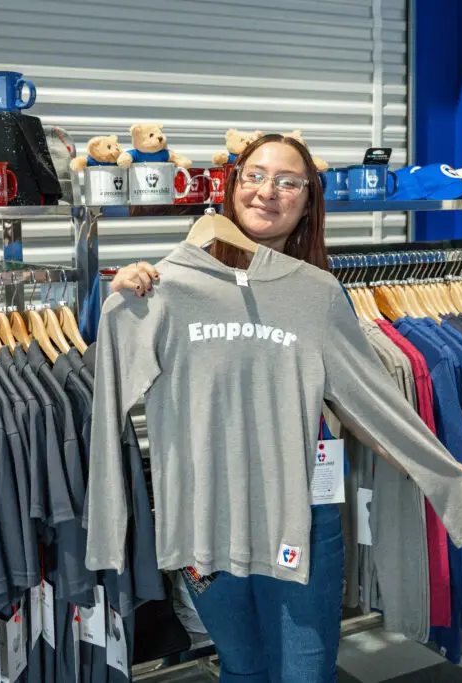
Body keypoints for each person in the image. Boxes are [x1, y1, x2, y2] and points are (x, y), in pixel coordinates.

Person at [108, 133, 344, 682]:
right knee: (240, 667)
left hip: (301, 509)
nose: (268, 191)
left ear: (308, 202)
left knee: (304, 673)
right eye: (255, 175)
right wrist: (122, 301)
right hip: (207, 508)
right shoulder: (172, 285)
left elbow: (366, 402)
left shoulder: (324, 294)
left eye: (289, 182)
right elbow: (109, 378)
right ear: (232, 186)